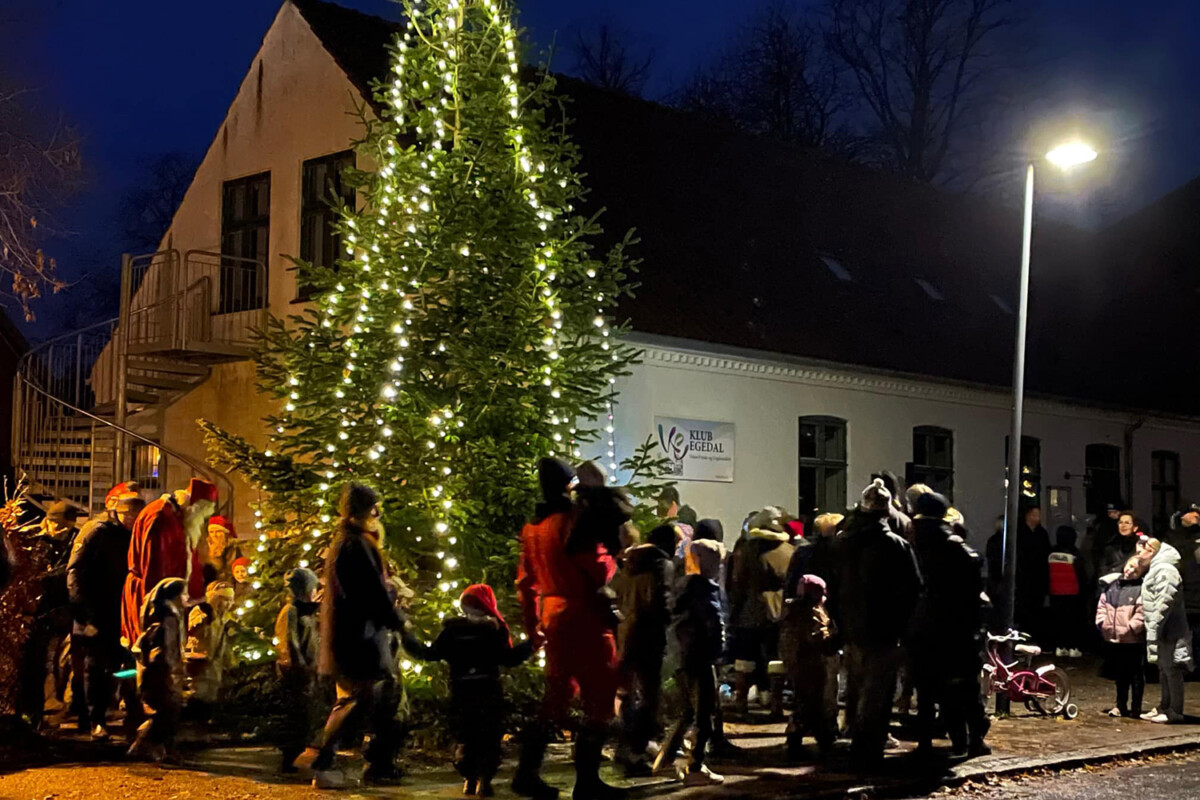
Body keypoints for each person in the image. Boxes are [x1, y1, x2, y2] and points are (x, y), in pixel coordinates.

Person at [514, 457, 622, 800]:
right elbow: (597, 569)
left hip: (553, 617)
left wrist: (534, 629)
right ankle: (587, 782)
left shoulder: (532, 528)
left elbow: (525, 582)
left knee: (556, 699)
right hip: (585, 617)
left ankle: (526, 772)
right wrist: (612, 558)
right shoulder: (574, 521)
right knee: (599, 698)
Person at [311, 483, 407, 789]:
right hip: (357, 639)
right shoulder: (355, 545)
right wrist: (397, 619)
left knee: (363, 698)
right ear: (364, 511)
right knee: (355, 700)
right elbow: (371, 593)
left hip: (356, 637)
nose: (378, 514)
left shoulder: (349, 543)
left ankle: (369, 763)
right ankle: (324, 763)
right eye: (374, 508)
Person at [404, 584, 534, 797]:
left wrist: (407, 635)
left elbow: (429, 654)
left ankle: (469, 779)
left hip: (462, 690)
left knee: (467, 735)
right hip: (488, 690)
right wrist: (531, 644)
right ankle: (485, 780)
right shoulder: (493, 631)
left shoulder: (452, 631)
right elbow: (509, 659)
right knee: (489, 736)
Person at [830, 478, 922, 772]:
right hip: (885, 630)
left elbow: (832, 584)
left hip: (850, 628)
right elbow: (914, 589)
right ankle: (867, 750)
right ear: (885, 513)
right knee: (877, 694)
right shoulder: (896, 545)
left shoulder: (842, 543)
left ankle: (858, 742)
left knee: (856, 687)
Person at [907, 492, 989, 759]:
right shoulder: (953, 544)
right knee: (964, 686)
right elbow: (974, 581)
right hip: (955, 625)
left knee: (927, 688)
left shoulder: (909, 539)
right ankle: (970, 739)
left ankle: (925, 742)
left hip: (920, 623)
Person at [65, 482, 144, 739]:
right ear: (117, 512)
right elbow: (75, 571)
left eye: (135, 516)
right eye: (128, 515)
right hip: (95, 611)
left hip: (119, 612)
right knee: (93, 667)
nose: (131, 520)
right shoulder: (97, 532)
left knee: (119, 664)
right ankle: (93, 719)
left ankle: (115, 714)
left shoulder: (131, 536)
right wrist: (83, 614)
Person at [655, 538, 727, 786]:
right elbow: (714, 623)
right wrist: (720, 651)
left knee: (688, 711)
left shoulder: (682, 586)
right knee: (703, 713)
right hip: (700, 656)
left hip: (683, 656)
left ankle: (667, 760)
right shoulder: (704, 589)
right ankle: (693, 766)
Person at [121, 478, 219, 645]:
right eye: (202, 514)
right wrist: (154, 606)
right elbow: (151, 565)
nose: (202, 521)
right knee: (152, 650)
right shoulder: (160, 516)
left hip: (168, 599)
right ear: (194, 506)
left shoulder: (179, 518)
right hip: (153, 598)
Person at [612, 523, 674, 776]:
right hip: (651, 634)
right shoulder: (662, 566)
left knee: (630, 693)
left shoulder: (630, 565)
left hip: (628, 632)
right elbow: (664, 601)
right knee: (650, 696)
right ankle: (637, 751)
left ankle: (626, 747)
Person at [727, 506, 793, 706]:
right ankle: (775, 703)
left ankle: (741, 702)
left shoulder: (747, 551)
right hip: (779, 611)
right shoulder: (790, 551)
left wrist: (733, 611)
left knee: (745, 656)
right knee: (775, 657)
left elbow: (737, 582)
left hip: (749, 609)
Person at [127, 577, 187, 762]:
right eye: (183, 594)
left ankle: (165, 750)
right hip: (160, 675)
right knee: (167, 712)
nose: (186, 597)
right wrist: (175, 672)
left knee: (168, 712)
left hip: (156, 674)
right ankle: (143, 743)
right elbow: (167, 650)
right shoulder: (168, 620)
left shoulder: (160, 618)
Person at [780, 574, 837, 757]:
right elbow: (819, 639)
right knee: (816, 703)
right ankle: (824, 738)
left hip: (795, 665)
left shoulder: (791, 613)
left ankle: (794, 736)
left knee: (801, 701)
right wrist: (834, 640)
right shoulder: (813, 613)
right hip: (812, 665)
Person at [275, 567, 324, 774]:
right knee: (295, 714)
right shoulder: (291, 611)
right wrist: (299, 666)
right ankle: (289, 756)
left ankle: (296, 752)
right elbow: (289, 643)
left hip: (306, 671)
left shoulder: (305, 611)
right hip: (295, 673)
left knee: (305, 714)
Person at [1139, 537, 1192, 724]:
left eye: (1141, 552)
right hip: (1164, 629)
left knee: (1172, 670)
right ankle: (1165, 705)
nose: (1138, 556)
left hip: (1170, 630)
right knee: (1164, 669)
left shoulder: (1165, 570)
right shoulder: (1157, 569)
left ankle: (1175, 710)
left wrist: (1154, 626)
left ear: (1151, 551)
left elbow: (1164, 601)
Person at [1096, 556, 1146, 718]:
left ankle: (1136, 707)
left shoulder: (1140, 589)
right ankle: (1120, 705)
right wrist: (1103, 623)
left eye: (1135, 570)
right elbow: (1102, 606)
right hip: (1114, 638)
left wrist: (1131, 628)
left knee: (1136, 674)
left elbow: (1142, 612)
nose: (1130, 570)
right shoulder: (1112, 587)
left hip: (1133, 640)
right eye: (1129, 566)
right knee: (1120, 675)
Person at [185, 581, 236, 718]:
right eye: (225, 600)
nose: (228, 604)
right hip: (200, 658)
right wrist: (207, 617)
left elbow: (223, 640)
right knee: (199, 688)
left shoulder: (224, 618)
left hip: (214, 660)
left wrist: (228, 660)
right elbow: (193, 628)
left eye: (230, 601)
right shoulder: (202, 611)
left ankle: (206, 715)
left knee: (212, 688)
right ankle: (194, 715)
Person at [1165, 503, 1200, 674]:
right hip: (1181, 591)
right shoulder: (1172, 538)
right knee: (1181, 633)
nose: (1196, 515)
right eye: (1191, 512)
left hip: (1197, 592)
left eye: (1197, 512)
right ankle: (1183, 668)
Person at [1048, 526, 1086, 658]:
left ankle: (1060, 647)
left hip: (1055, 592)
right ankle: (1073, 647)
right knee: (1072, 621)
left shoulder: (1051, 552)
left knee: (1058, 621)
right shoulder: (1075, 553)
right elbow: (1082, 574)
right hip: (1073, 592)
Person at [1099, 512, 1140, 584]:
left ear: (1135, 528)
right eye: (1121, 522)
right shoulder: (1110, 546)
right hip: (1111, 585)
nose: (1123, 526)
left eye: (1127, 523)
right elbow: (1102, 568)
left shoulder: (1140, 547)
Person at [201, 515, 241, 585]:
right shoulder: (204, 546)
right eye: (211, 532)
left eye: (218, 531)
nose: (214, 535)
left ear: (225, 533)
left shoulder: (231, 547)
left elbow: (229, 571)